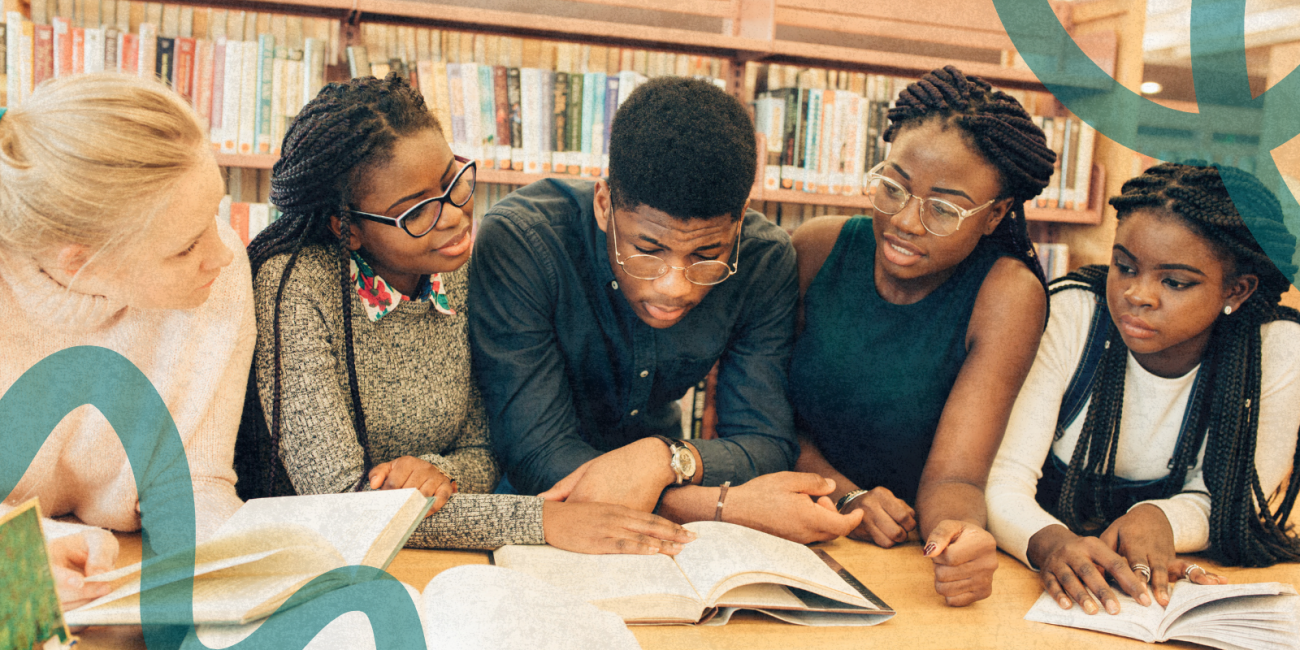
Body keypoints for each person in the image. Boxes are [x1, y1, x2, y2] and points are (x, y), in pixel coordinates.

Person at [236, 74, 694, 556]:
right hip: (309, 559)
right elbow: (342, 503)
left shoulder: (458, 271)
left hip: (432, 552)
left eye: (453, 181)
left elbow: (484, 451)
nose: (454, 215)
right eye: (417, 211)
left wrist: (438, 475)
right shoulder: (294, 288)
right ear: (346, 229)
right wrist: (544, 521)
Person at [469, 76, 861, 543]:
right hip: (537, 515)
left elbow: (767, 441)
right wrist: (719, 507)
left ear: (740, 219)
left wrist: (664, 459)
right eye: (647, 249)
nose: (674, 288)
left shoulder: (762, 259)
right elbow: (535, 452)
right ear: (602, 203)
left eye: (706, 255)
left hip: (673, 487)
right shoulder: (523, 242)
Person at [788, 66, 1057, 606]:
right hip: (785, 520)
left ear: (995, 214)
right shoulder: (815, 249)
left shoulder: (1006, 294)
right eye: (893, 187)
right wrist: (843, 493)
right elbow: (755, 414)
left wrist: (956, 538)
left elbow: (956, 475)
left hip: (898, 555)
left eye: (943, 208)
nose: (906, 222)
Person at [986, 162, 1300, 615]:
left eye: (1174, 282)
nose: (1138, 294)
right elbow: (1001, 479)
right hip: (1031, 580)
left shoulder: (1275, 349)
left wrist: (1162, 518)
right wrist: (1051, 543)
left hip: (1167, 591)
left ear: (1237, 291)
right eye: (1125, 266)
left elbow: (1243, 504)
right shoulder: (1072, 313)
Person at [0, 73, 251, 606]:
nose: (223, 253)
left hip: (120, 585)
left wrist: (231, 584)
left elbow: (197, 482)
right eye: (185, 247)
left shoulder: (219, 276)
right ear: (82, 264)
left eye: (216, 213)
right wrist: (21, 548)